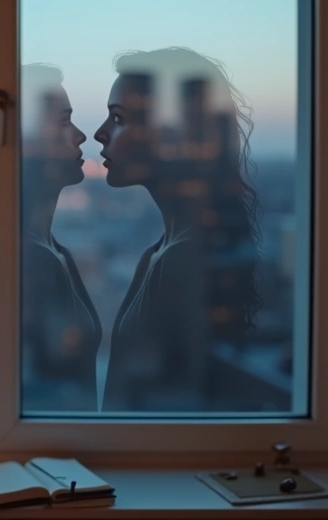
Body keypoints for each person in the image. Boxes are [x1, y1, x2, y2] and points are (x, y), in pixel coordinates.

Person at [94, 47, 260, 413]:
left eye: (119, 118)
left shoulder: (183, 260)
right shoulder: (161, 253)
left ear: (173, 135)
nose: (101, 133)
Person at [18, 64, 102, 413]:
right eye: (65, 122)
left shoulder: (51, 251)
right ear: (31, 142)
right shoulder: (33, 259)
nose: (81, 136)